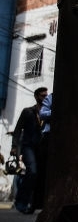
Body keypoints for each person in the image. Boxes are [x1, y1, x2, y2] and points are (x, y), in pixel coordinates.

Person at [11, 87, 47, 215]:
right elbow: (17, 129)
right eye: (42, 96)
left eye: (46, 96)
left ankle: (34, 205)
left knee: (40, 175)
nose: (45, 98)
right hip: (27, 147)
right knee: (32, 171)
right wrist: (14, 147)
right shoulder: (28, 112)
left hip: (40, 149)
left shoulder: (46, 113)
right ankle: (20, 202)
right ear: (36, 96)